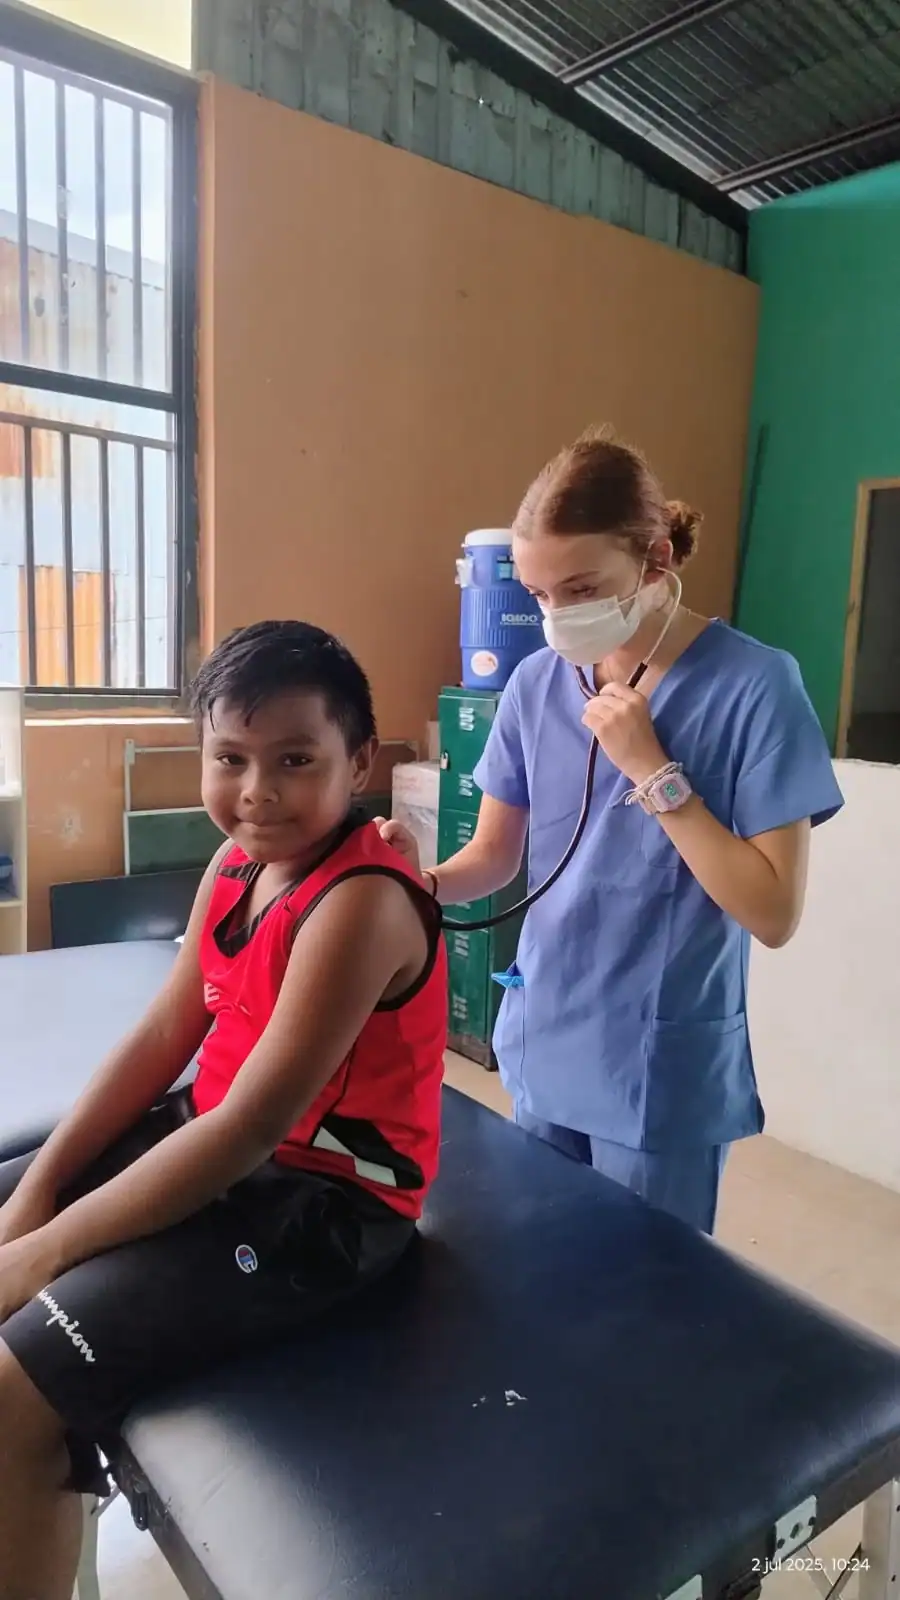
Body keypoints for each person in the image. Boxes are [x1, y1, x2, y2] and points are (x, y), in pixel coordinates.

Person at [0, 620, 447, 1600]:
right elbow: (162, 1039)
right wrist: (34, 1195)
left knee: (15, 1386)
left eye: (295, 760)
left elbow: (247, 1126)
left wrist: (46, 1250)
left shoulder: (360, 905)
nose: (257, 792)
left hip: (321, 1205)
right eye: (231, 759)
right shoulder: (239, 865)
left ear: (358, 759)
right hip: (220, 1145)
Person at [382, 426, 843, 1236]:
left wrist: (654, 774)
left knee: (645, 1311)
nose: (557, 615)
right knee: (543, 1279)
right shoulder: (535, 683)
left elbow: (772, 912)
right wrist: (413, 883)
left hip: (658, 1065)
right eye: (539, 595)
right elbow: (495, 856)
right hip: (547, 1035)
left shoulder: (756, 687)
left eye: (582, 587)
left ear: (657, 558)